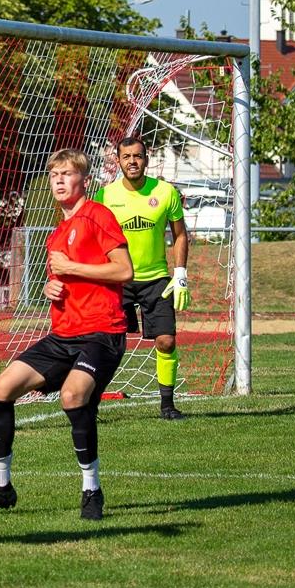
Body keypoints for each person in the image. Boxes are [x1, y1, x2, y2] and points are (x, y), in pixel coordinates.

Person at [0, 148, 132, 521]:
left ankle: (92, 490)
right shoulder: (56, 233)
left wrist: (72, 267)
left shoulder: (98, 216)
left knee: (73, 396)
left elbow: (123, 271)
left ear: (83, 180)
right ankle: (2, 488)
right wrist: (51, 288)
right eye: (54, 173)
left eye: (67, 173)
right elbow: (63, 278)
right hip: (63, 335)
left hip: (101, 332)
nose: (58, 180)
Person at [95, 137, 190, 419]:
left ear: (146, 159)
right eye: (127, 157)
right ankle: (90, 402)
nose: (132, 161)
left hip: (157, 279)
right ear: (118, 161)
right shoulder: (105, 196)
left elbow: (180, 234)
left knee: (166, 341)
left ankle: (167, 406)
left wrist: (181, 273)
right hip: (117, 281)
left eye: (138, 156)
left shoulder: (165, 192)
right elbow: (96, 238)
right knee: (107, 344)